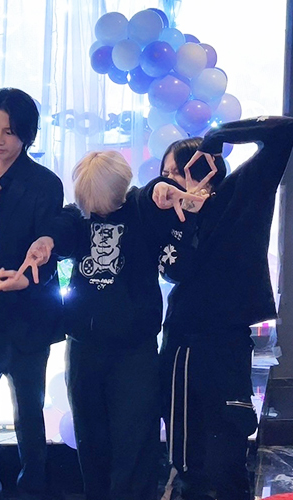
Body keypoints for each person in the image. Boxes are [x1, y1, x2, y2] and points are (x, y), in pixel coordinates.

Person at [0, 151, 203, 500]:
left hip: (135, 352)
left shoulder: (140, 208)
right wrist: (45, 243)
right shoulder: (79, 216)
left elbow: (153, 194)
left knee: (134, 442)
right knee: (90, 441)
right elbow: (62, 228)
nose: (96, 211)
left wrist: (162, 187)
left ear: (120, 189)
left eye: (102, 202)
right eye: (89, 204)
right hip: (84, 347)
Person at [156, 116, 293, 500]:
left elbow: (283, 131)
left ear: (207, 164)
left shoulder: (240, 193)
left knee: (227, 458)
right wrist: (184, 213)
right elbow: (174, 271)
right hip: (182, 346)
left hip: (227, 345)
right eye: (165, 174)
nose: (173, 180)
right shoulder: (168, 215)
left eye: (181, 169)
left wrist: (218, 136)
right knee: (187, 464)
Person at [0, 87, 64, 500]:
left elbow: (52, 244)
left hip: (28, 317)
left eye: (9, 131)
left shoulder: (45, 183)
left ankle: (32, 490)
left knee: (29, 414)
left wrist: (29, 278)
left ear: (27, 134)